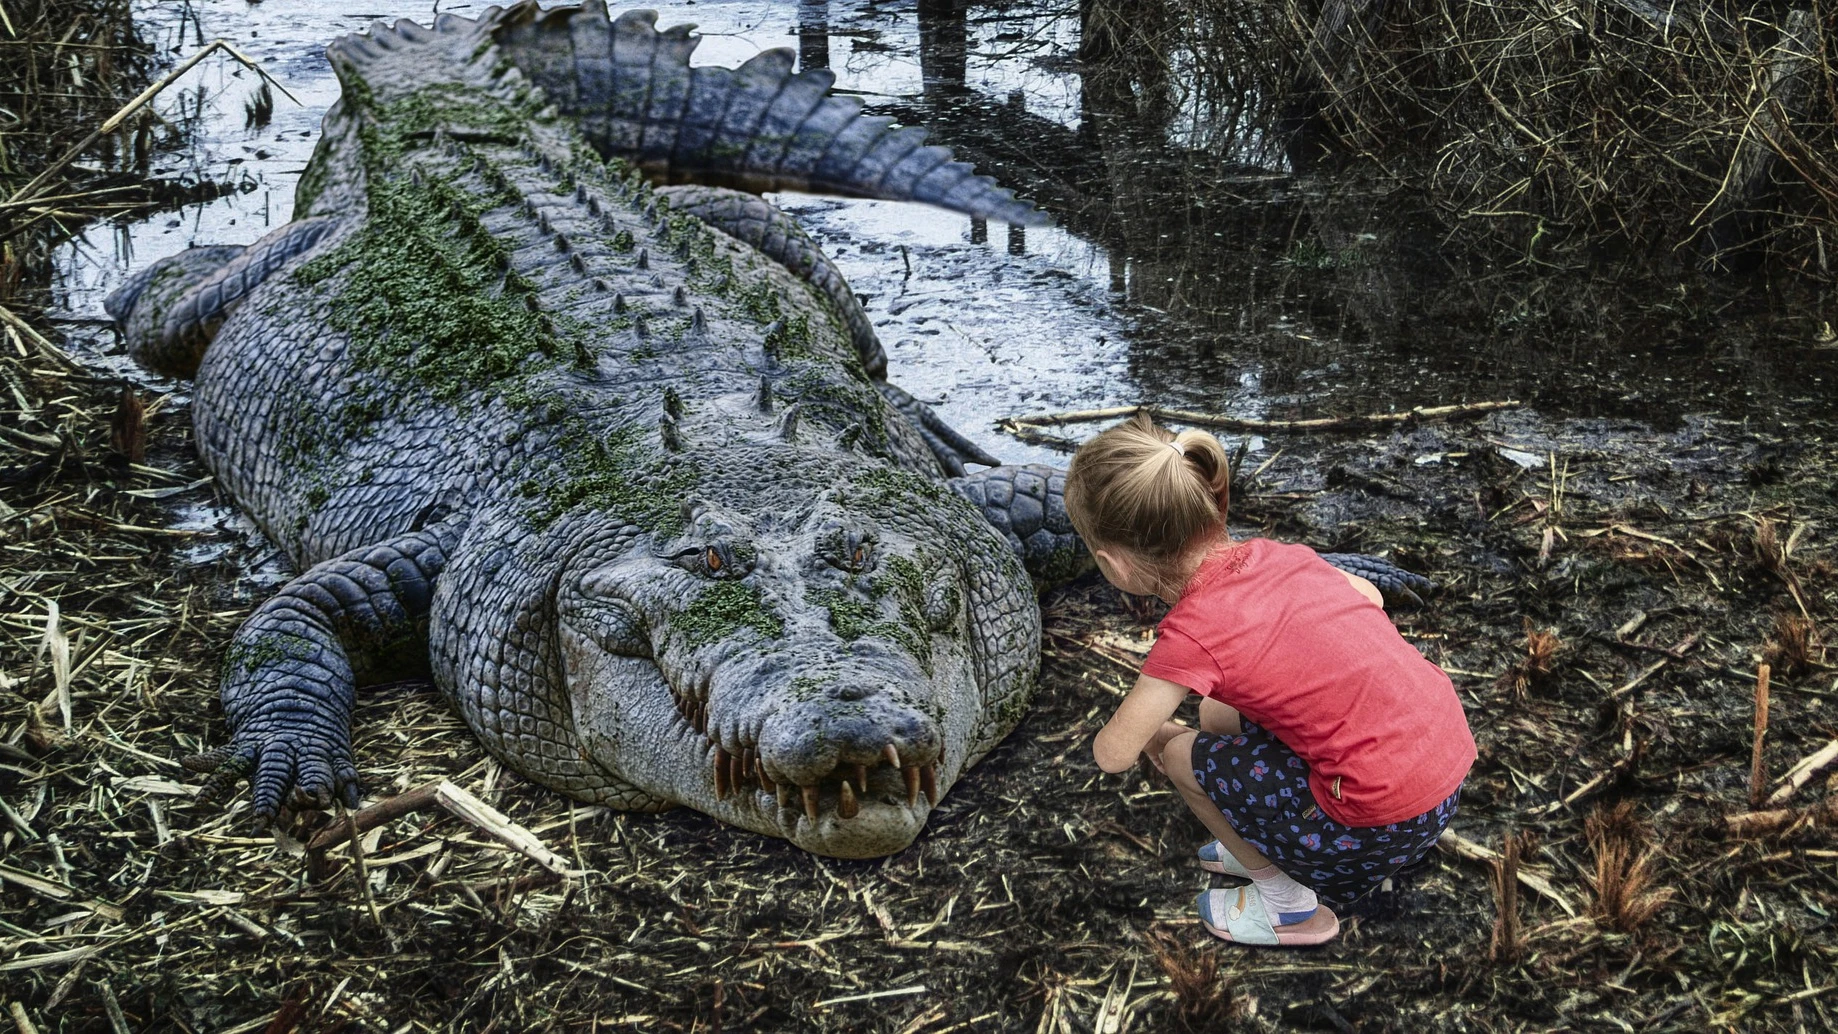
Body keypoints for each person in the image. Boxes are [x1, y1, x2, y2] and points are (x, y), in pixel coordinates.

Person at [1063, 414, 1475, 946]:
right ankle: (1260, 835)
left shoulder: (1190, 637)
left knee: (1185, 756)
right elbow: (1369, 596)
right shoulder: (1282, 557)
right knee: (1217, 715)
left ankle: (1290, 910)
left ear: (1113, 566)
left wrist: (1153, 736)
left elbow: (1113, 755)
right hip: (1441, 785)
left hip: (1370, 833)